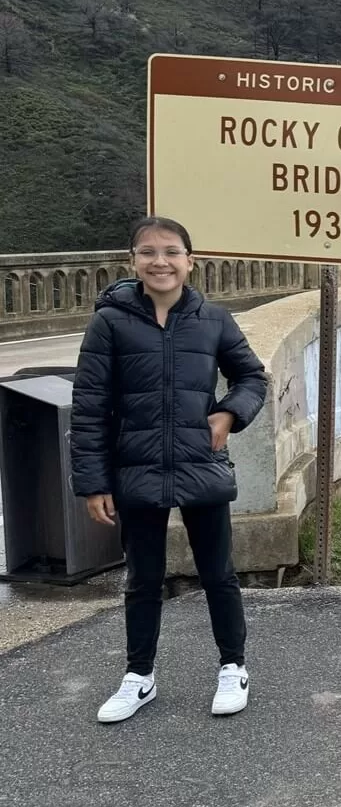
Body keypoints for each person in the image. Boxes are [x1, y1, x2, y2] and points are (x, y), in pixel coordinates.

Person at [70, 216, 268, 723]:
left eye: (171, 252)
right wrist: (92, 482)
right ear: (132, 261)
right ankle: (140, 676)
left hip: (199, 463)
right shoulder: (110, 322)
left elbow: (251, 376)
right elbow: (89, 406)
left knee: (218, 574)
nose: (160, 261)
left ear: (189, 260)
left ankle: (233, 667)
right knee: (142, 578)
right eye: (148, 252)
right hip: (134, 468)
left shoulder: (214, 319)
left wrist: (228, 412)